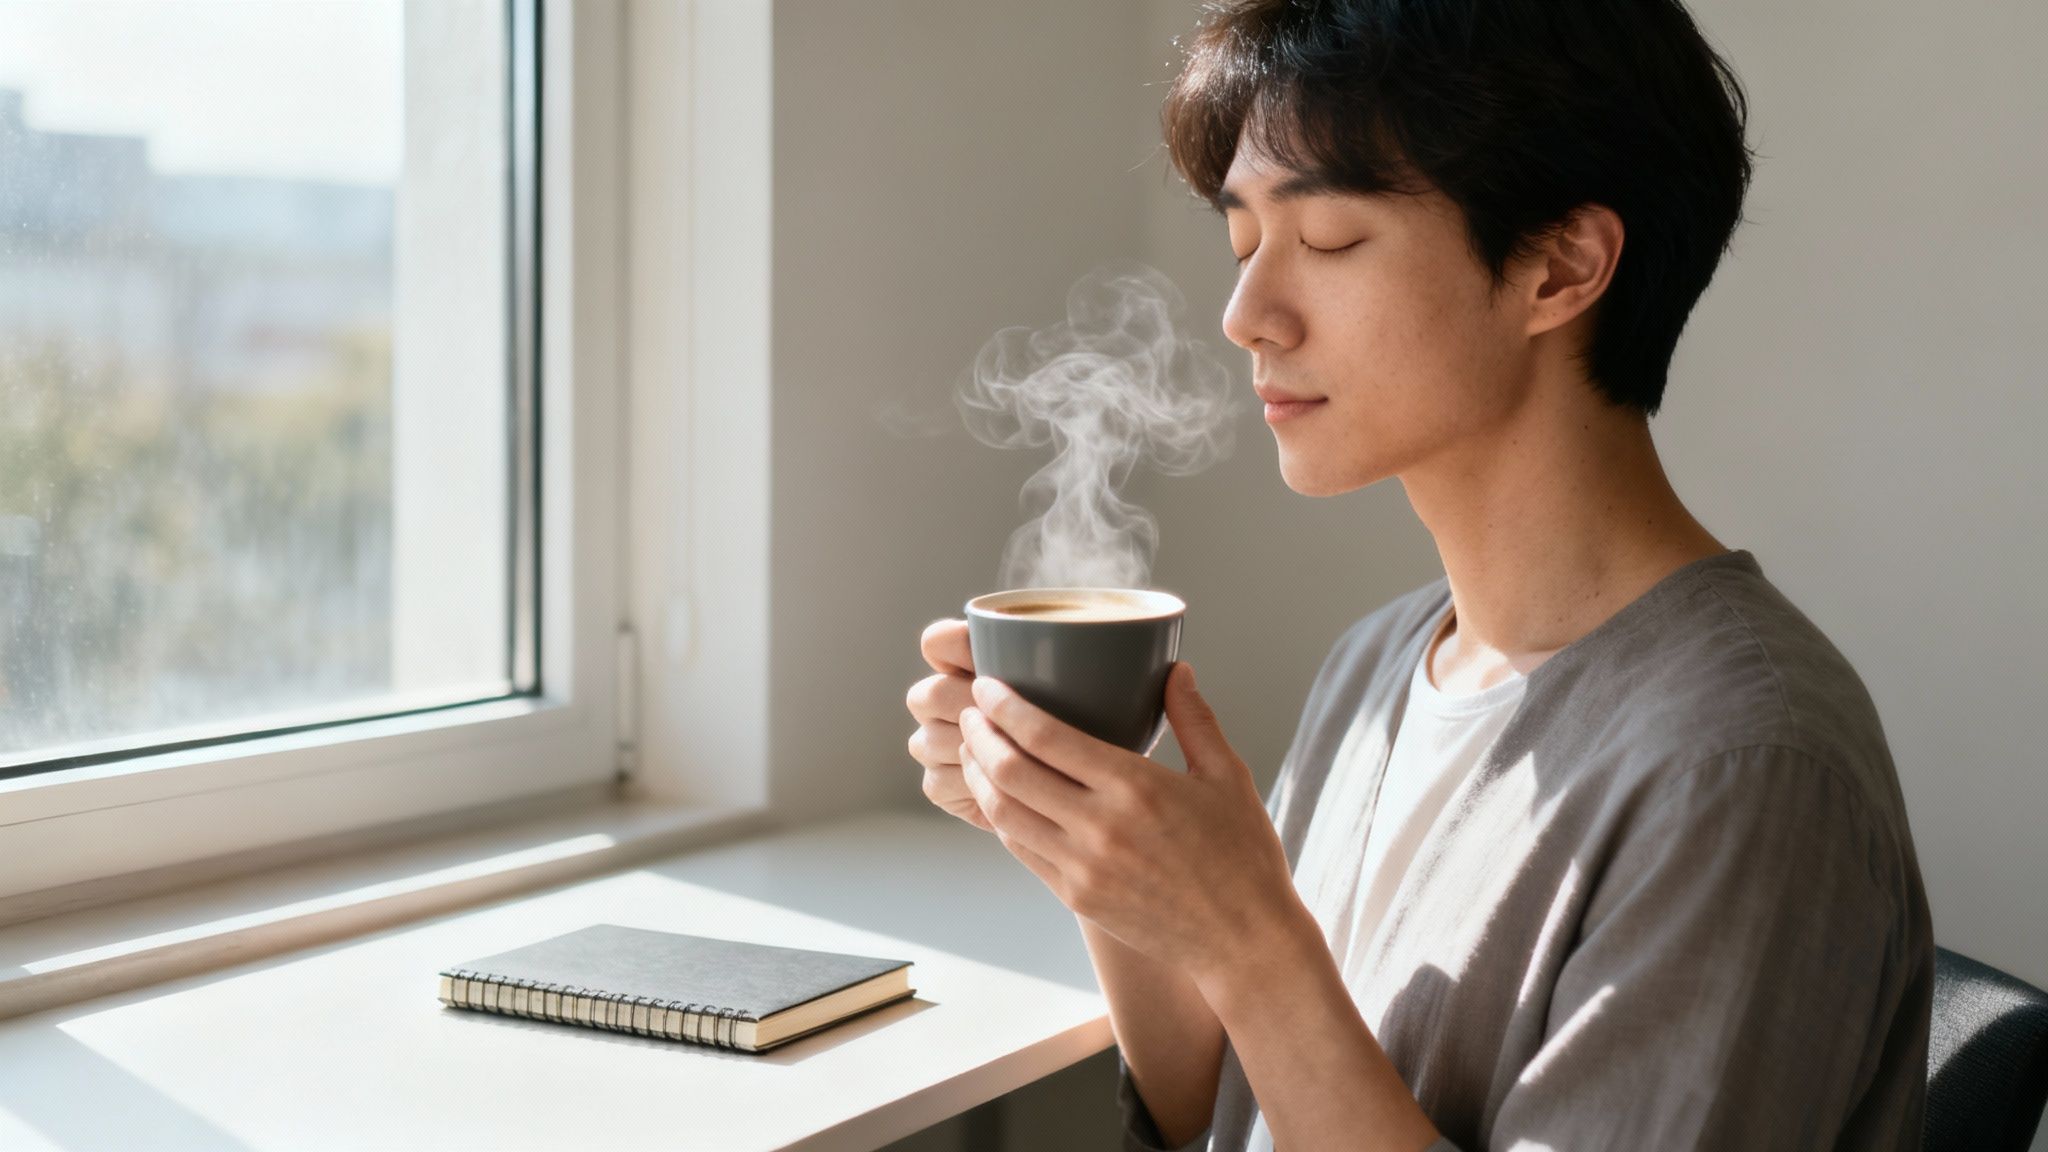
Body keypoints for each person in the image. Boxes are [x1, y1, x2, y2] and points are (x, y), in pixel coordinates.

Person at [903, 0, 1934, 1148]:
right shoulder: (1380, 664)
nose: (1245, 315)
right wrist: (1097, 834)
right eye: (1241, 242)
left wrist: (1248, 941)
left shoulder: (1739, 767)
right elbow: (1219, 1109)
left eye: (1330, 240)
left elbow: (1264, 1009)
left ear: (1560, 266)